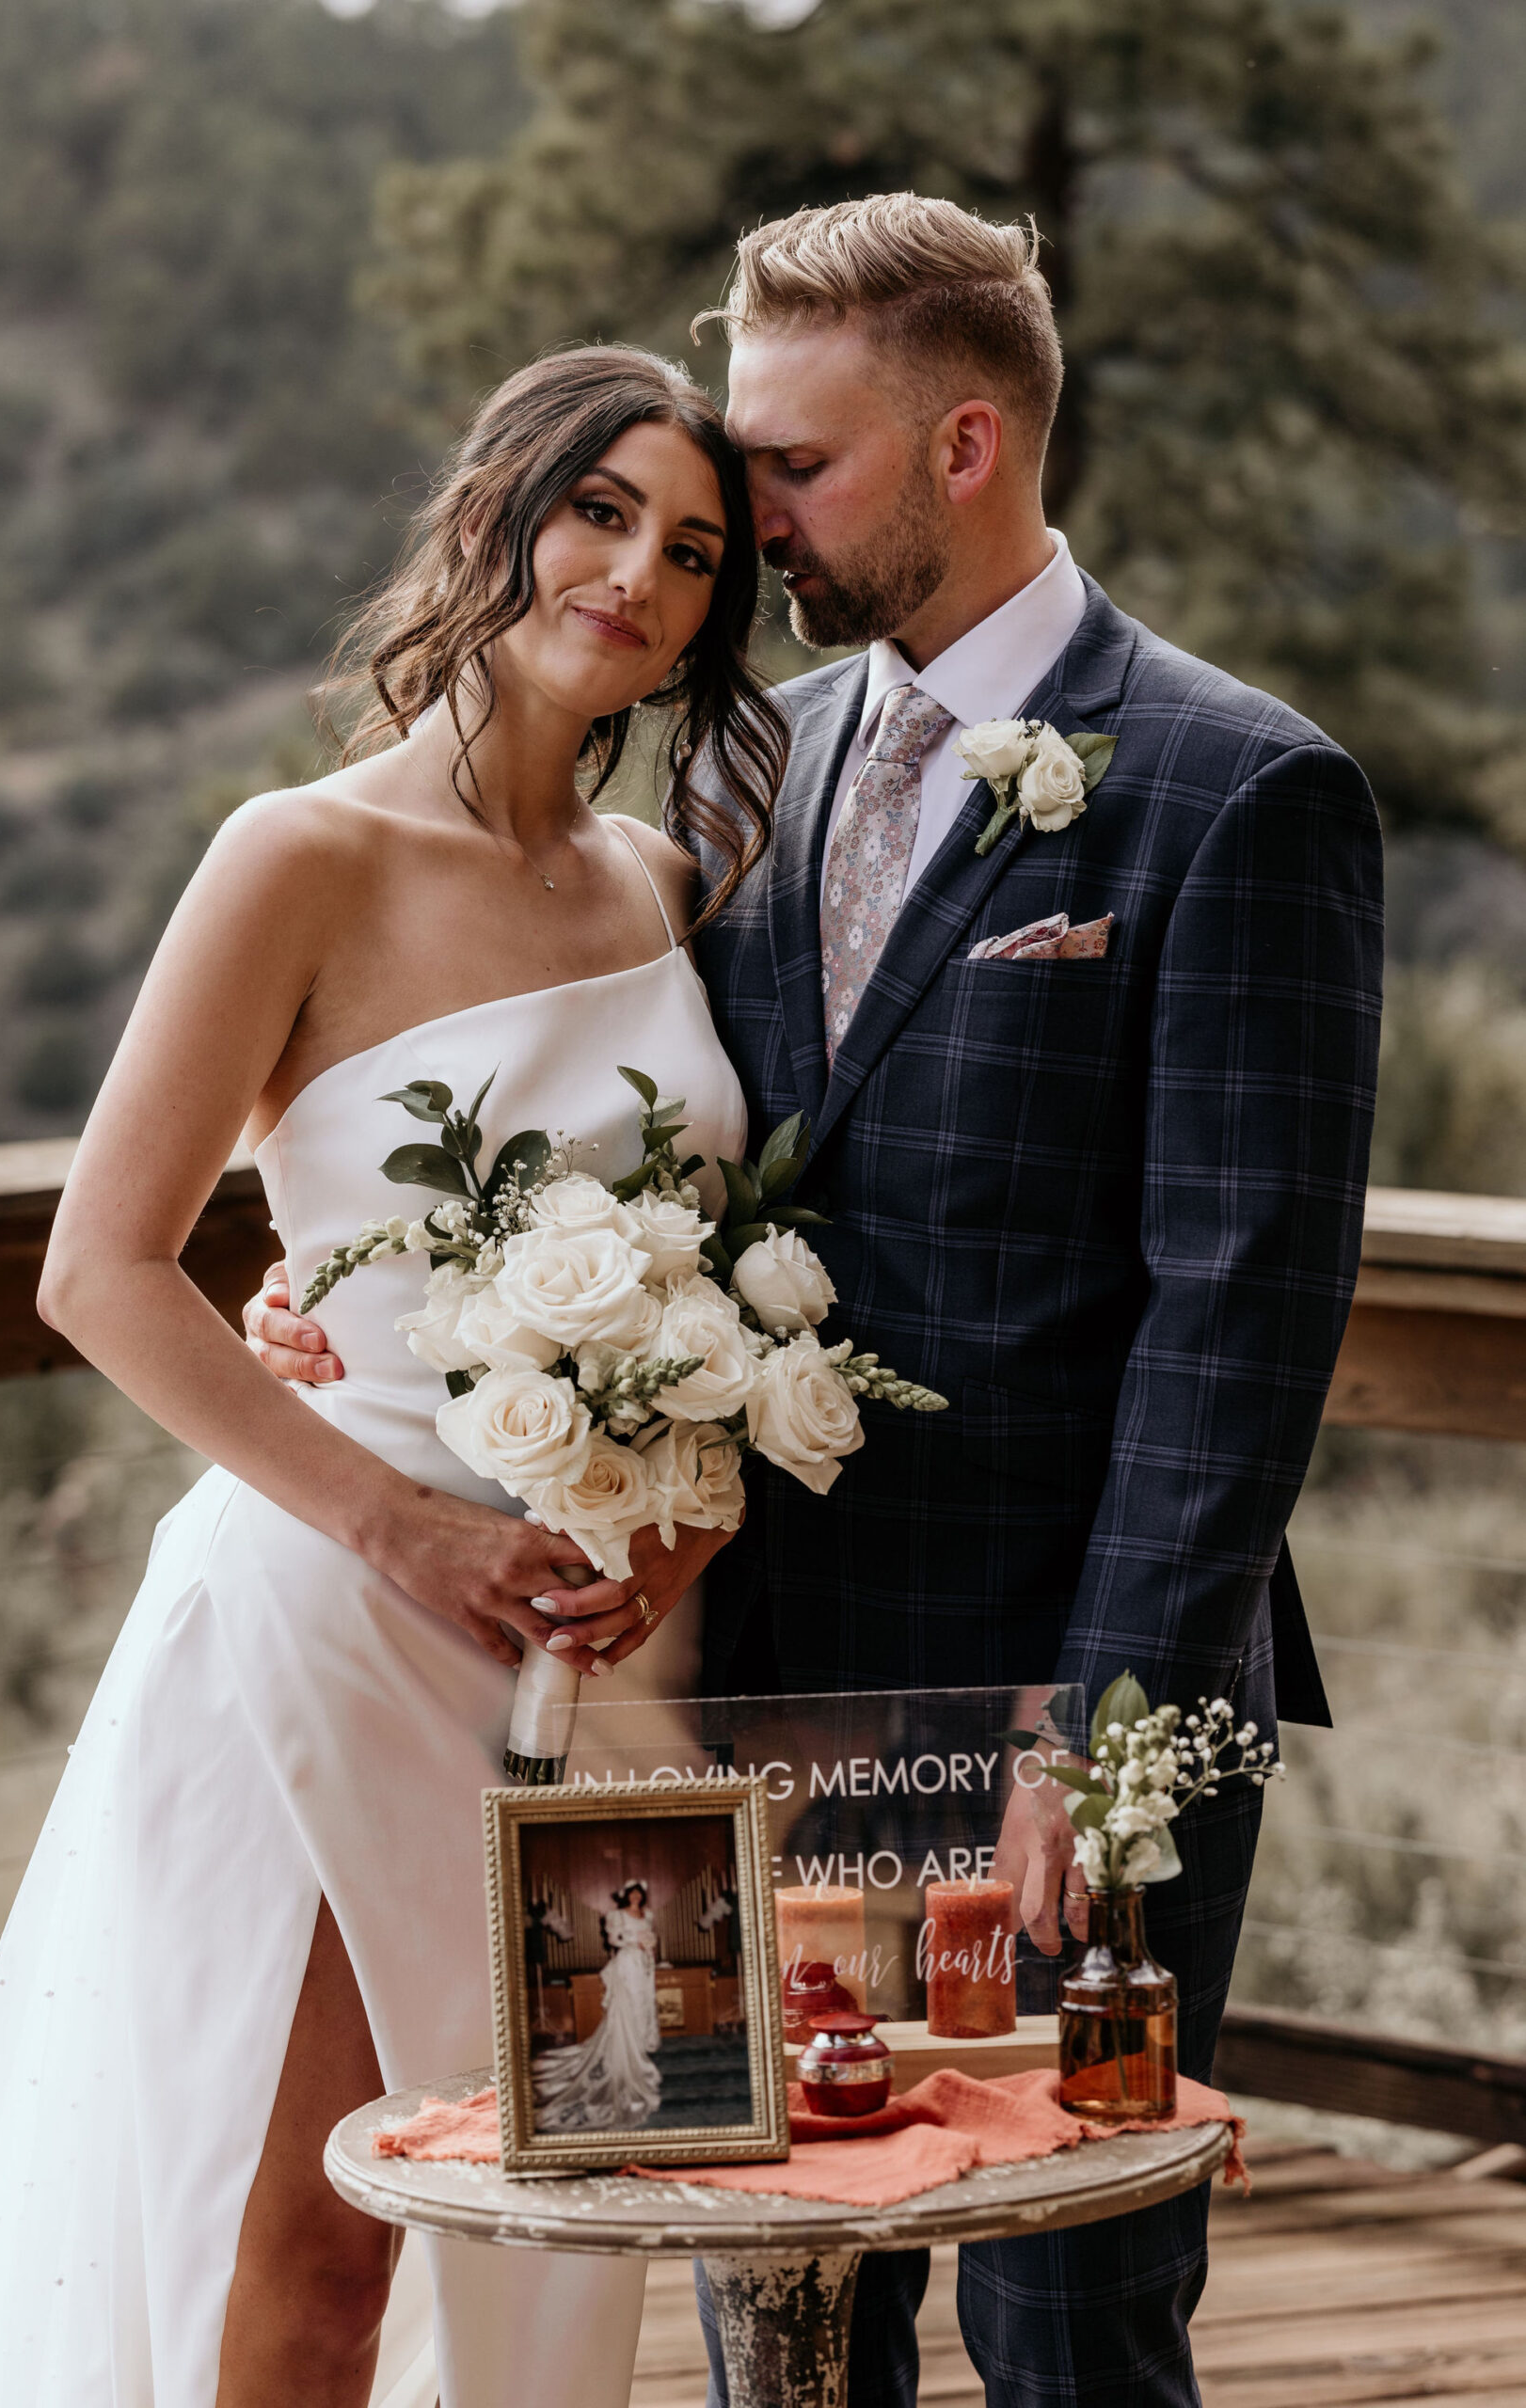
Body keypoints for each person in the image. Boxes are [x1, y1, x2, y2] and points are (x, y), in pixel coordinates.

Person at [251, 195, 1383, 2408]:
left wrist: (1104, 1722)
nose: (740, 512)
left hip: (1077, 1695)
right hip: (756, 1685)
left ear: (966, 443)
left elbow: (1235, 1309)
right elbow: (648, 1126)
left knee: (1066, 2307)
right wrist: (372, 1276)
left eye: (794, 462)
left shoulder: (1236, 788)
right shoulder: (747, 756)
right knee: (771, 2295)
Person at [0, 346, 787, 2408]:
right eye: (599, 511)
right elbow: (99, 1269)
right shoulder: (291, 854)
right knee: (314, 2243)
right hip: (342, 1607)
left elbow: (725, 1269)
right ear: (495, 506)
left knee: (567, 2223)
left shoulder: (668, 881)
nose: (639, 577)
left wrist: (679, 1502)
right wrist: (405, 1520)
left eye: (692, 551)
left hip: (611, 1660)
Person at [533, 1882, 662, 2132]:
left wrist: (649, 1950)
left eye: (639, 1892)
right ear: (626, 1895)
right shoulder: (616, 1916)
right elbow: (614, 1939)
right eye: (632, 1892)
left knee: (644, 2004)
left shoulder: (648, 1915)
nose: (636, 1896)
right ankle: (630, 2047)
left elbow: (651, 1937)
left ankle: (641, 2043)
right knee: (630, 2005)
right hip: (626, 1964)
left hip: (645, 1964)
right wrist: (635, 1941)